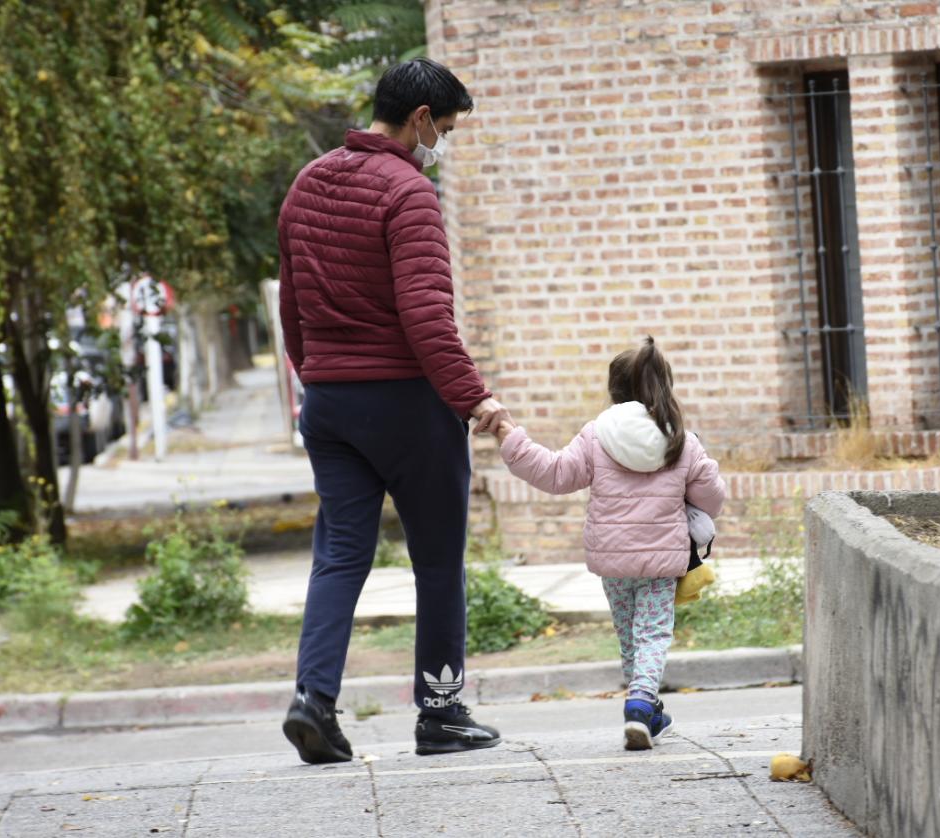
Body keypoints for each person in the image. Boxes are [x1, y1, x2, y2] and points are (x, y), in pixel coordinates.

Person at [277, 58, 511, 764]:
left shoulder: (308, 182)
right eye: (443, 128)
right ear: (419, 120)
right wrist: (475, 397)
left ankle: (313, 699)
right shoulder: (408, 192)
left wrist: (317, 378)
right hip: (407, 402)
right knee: (437, 561)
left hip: (330, 403)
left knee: (340, 555)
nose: (441, 140)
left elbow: (291, 308)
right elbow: (426, 318)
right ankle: (439, 714)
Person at [494, 337, 727, 749]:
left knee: (629, 637)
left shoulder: (596, 435)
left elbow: (555, 474)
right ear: (664, 387)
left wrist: (513, 439)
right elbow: (713, 500)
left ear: (615, 390)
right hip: (660, 561)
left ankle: (648, 711)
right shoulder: (681, 441)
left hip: (612, 562)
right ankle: (639, 704)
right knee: (653, 635)